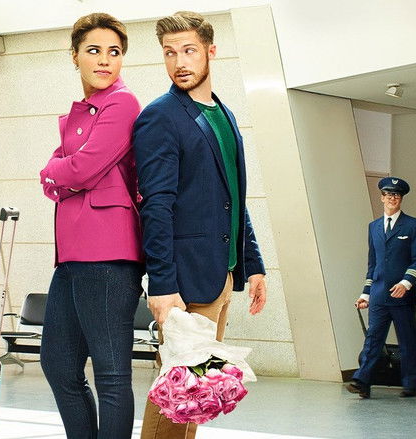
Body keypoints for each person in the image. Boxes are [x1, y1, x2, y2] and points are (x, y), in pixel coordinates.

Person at [133, 11, 267, 438]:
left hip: (220, 276)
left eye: (189, 51)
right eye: (169, 53)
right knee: (175, 398)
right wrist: (162, 284)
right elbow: (156, 205)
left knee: (195, 398)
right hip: (184, 280)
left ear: (211, 51)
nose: (179, 62)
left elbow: (232, 199)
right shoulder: (160, 117)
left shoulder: (223, 115)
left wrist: (253, 264)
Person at [38, 13, 144, 439]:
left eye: (113, 52)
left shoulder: (122, 103)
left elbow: (78, 169)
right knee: (58, 364)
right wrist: (63, 173)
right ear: (75, 56)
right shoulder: (83, 112)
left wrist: (58, 171)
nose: (104, 60)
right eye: (94, 50)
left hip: (108, 252)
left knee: (111, 372)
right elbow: (59, 176)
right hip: (72, 255)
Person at [347, 177, 416, 399]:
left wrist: (406, 283)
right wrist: (366, 293)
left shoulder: (413, 225)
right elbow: (372, 264)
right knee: (373, 339)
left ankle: (410, 384)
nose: (393, 198)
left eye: (397, 195)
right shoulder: (373, 227)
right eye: (389, 195)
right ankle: (362, 381)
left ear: (401, 199)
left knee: (407, 340)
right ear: (382, 198)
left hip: (402, 295)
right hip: (379, 294)